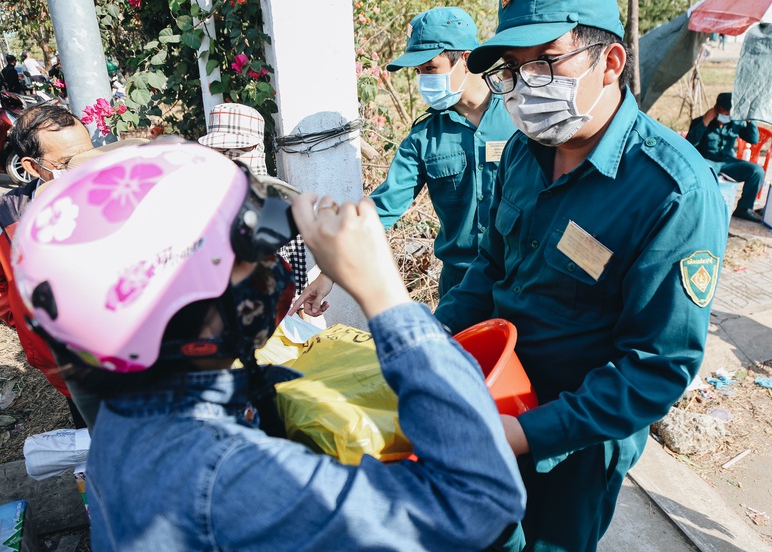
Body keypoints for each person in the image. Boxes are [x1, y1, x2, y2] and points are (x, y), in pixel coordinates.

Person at [11, 141, 526, 551]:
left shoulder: (124, 417)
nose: (271, 268)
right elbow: (483, 501)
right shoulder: (227, 478)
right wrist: (383, 293)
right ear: (176, 306)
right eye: (250, 253)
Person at [433, 0, 729, 550]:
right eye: (512, 70)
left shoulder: (672, 191)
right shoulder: (524, 150)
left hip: (574, 443)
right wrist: (434, 340)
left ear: (610, 61)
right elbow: (489, 270)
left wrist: (523, 433)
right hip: (491, 394)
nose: (522, 89)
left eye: (543, 64)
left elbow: (655, 369)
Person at [290, 7, 517, 316]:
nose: (424, 80)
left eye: (431, 68)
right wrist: (327, 275)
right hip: (461, 290)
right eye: (418, 72)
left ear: (464, 58)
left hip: (518, 282)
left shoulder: (519, 114)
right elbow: (379, 209)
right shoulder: (424, 137)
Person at [0, 105, 93, 428]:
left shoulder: (114, 196)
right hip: (67, 367)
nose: (82, 168)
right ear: (32, 166)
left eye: (88, 155)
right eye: (67, 163)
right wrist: (25, 325)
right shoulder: (8, 217)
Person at [198, 102, 309, 297]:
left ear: (257, 146)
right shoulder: (199, 199)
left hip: (274, 311)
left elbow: (296, 274)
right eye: (219, 149)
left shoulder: (282, 201)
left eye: (239, 149)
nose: (229, 157)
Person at [686, 92, 764, 222]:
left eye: (730, 113)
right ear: (716, 108)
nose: (727, 116)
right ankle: (701, 209)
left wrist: (749, 120)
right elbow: (689, 144)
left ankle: (744, 209)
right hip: (706, 161)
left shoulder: (735, 123)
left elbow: (753, 139)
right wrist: (705, 121)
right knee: (705, 173)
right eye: (725, 112)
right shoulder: (700, 122)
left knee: (757, 171)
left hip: (728, 162)